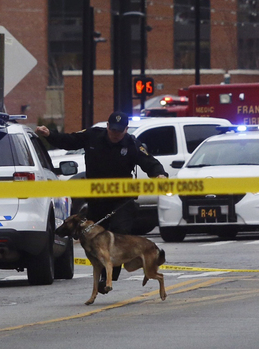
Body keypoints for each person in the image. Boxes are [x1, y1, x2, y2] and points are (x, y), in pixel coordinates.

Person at [36, 111, 167, 282]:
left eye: (119, 131)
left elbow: (150, 162)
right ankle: (102, 269)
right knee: (94, 236)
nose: (115, 134)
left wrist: (159, 175)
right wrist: (49, 134)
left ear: (126, 130)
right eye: (112, 130)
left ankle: (109, 277)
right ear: (107, 127)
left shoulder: (132, 144)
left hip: (122, 199)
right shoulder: (93, 136)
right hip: (97, 199)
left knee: (120, 233)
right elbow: (69, 141)